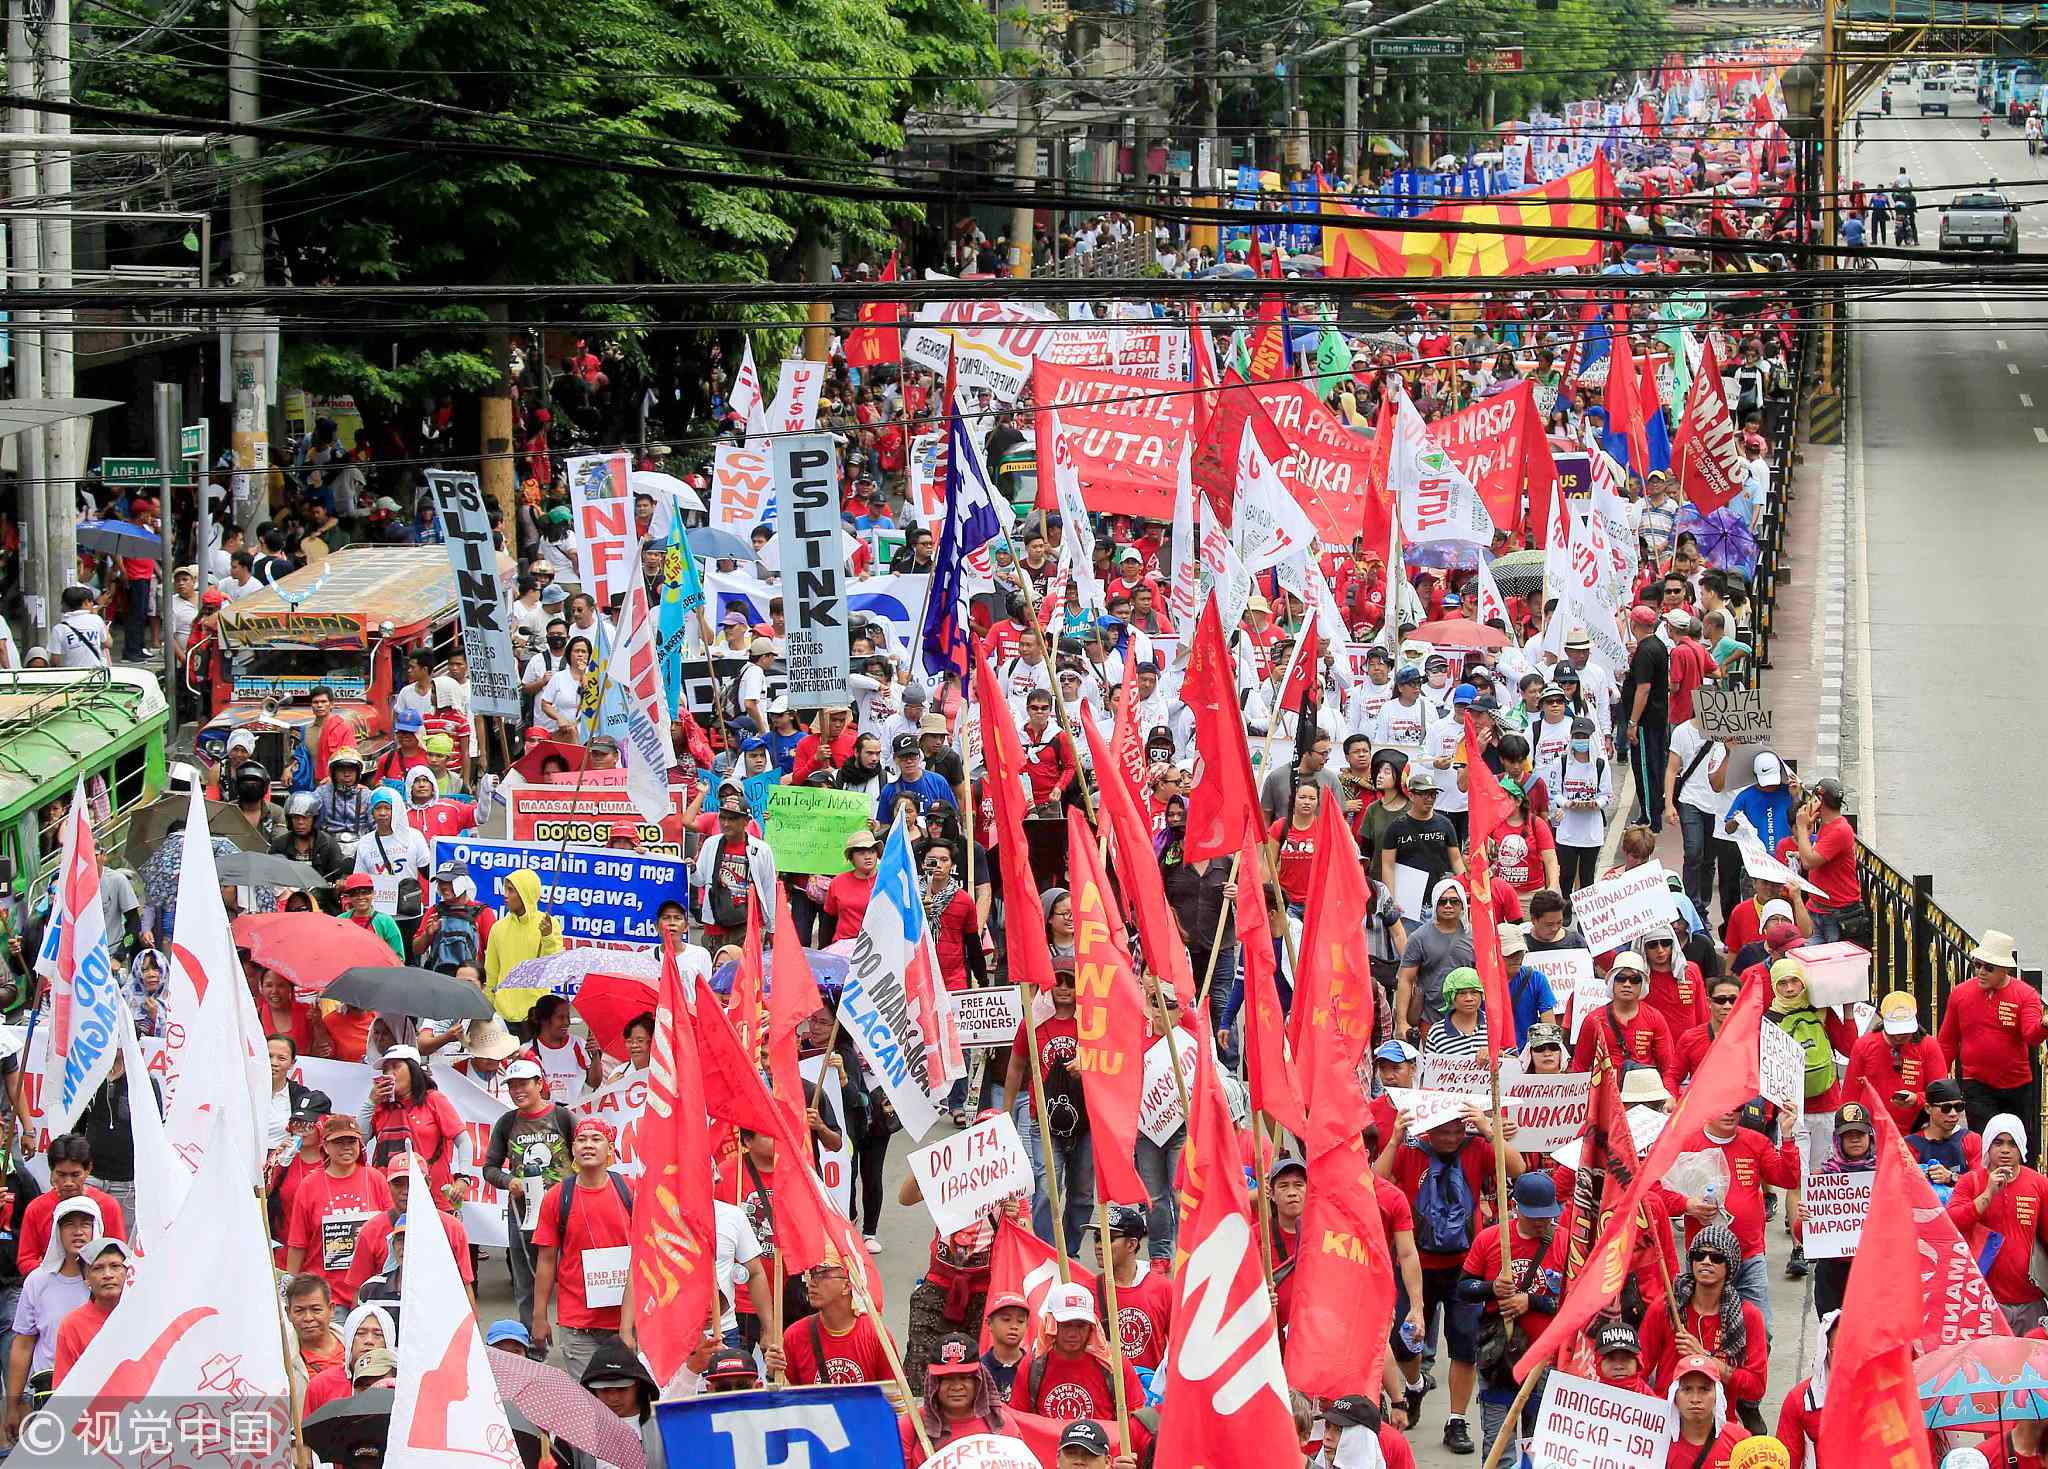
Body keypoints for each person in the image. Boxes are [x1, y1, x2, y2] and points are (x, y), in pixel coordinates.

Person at [1376, 1106, 1525, 1455]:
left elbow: (1518, 1169)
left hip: (1465, 1265)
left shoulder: (1476, 1147)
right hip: (1415, 1262)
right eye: (1444, 1131)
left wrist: (1489, 1131)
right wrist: (1395, 1141)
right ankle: (1414, 1385)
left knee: (1464, 1346)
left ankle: (1456, 1419)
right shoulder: (1412, 1149)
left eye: (1458, 1130)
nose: (1452, 1137)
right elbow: (1377, 1182)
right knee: (1404, 1343)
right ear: (1429, 1129)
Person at [1458, 1172, 1563, 1460]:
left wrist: (1531, 1302)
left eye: (1547, 1215)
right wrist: (1491, 1288)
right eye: (1534, 1216)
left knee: (1539, 1445)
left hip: (1546, 1360)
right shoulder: (1491, 1239)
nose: (1542, 1222)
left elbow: (1574, 1302)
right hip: (1498, 1358)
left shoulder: (1565, 1242)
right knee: (1498, 1446)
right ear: (1516, 1207)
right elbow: (1465, 1288)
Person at [531, 1119, 635, 1378]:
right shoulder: (557, 1196)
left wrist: (627, 1326)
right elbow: (545, 1260)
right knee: (591, 1402)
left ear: (610, 1148)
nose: (588, 1145)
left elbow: (644, 1258)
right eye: (582, 1139)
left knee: (625, 1399)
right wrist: (539, 1316)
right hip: (578, 1324)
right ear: (573, 1148)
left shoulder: (631, 1191)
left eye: (596, 1139)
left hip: (628, 1322)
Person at [1639, 1222, 1768, 1430]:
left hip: (1719, 1426)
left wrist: (1706, 1359)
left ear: (1730, 1266)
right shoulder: (1666, 1308)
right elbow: (1639, 1368)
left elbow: (1756, 1388)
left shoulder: (1748, 1316)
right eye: (1699, 1255)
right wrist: (1653, 1411)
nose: (1706, 1261)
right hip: (1667, 1423)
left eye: (1716, 1257)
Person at [1003, 963, 1093, 1250]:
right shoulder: (1034, 1021)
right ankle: (1045, 1252)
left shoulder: (1093, 1024)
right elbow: (1016, 1066)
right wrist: (1005, 1115)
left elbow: (1114, 1064)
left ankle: (1070, 1253)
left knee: (1082, 1194)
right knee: (1047, 1187)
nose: (1064, 988)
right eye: (1059, 981)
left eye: (1071, 982)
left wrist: (1089, 1064)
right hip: (1042, 1118)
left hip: (1087, 1121)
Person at [1936, 929, 2044, 1143]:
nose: (1981, 972)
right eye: (1977, 965)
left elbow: (2031, 1036)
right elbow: (1946, 1042)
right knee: (1985, 1142)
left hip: (2017, 1086)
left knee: (2015, 1145)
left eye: (1989, 967)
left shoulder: (2025, 995)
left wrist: (2044, 1026)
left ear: (2004, 969)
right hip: (1976, 1083)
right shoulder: (1960, 993)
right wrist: (1937, 1082)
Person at [1945, 1112, 2048, 1333]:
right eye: (1998, 1142)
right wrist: (1987, 1195)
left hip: (2031, 1303)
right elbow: (1951, 1225)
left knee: (2029, 1367)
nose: (2005, 1150)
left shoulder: (2039, 1184)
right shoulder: (1970, 1181)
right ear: (1988, 1146)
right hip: (1983, 1301)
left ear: (2021, 1147)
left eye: (2012, 1144)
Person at [6, 1198, 99, 1439]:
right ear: (57, 1231)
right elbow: (23, 1344)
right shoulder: (38, 1281)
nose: (78, 1231)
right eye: (69, 1224)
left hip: (99, 1390)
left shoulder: (111, 1281)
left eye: (85, 1224)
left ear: (96, 1228)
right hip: (49, 1393)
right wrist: (12, 1406)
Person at [283, 1114, 395, 1311]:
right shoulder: (309, 1185)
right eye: (338, 1142)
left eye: (351, 1141)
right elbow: (298, 1243)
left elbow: (392, 1233)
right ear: (325, 1146)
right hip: (327, 1297)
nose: (346, 1147)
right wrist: (289, 1293)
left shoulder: (376, 1179)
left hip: (372, 1292)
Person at [1008, 1281, 1144, 1427]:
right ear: (1052, 1323)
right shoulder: (1032, 1364)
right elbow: (1019, 1420)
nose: (1073, 1333)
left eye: (1080, 1326)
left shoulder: (1114, 1363)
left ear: (1092, 1327)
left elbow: (1136, 1420)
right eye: (1066, 1325)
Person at [766, 1256, 894, 1386]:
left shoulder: (876, 1336)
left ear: (847, 1286)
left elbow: (895, 1397)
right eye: (811, 1275)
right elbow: (788, 1399)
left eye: (823, 1275)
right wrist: (773, 1373)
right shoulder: (794, 1336)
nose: (812, 1283)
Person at [898, 1334, 1017, 1465]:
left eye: (965, 1377)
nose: (956, 1387)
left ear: (979, 1379)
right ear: (933, 1383)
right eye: (947, 1378)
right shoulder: (912, 1425)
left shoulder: (1001, 1424)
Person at [13, 1137, 124, 1275]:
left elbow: (119, 1257)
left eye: (75, 1175)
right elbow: (26, 1259)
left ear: (88, 1169)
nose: (68, 1182)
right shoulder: (36, 1208)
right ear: (52, 1171)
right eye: (61, 1175)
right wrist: (58, 1276)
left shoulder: (107, 1206)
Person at [1843, 991, 1946, 1136]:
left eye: (1904, 1032)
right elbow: (1850, 1095)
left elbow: (1941, 1094)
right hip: (1872, 1133)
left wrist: (1917, 1099)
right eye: (1895, 1031)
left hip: (1917, 1132)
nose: (1899, 1036)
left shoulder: (1928, 1045)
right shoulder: (1864, 1045)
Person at [1570, 952, 1677, 1087]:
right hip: (1606, 1095)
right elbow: (1580, 1067)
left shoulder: (1655, 1018)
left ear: (1642, 984)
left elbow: (1669, 1068)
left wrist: (1669, 1097)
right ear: (1612, 982)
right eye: (1621, 978)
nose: (1627, 984)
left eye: (1634, 979)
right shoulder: (1593, 1020)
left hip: (1645, 1094)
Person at [568, 1341, 667, 1469]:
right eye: (604, 1390)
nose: (613, 1398)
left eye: (622, 1389)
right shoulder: (577, 1432)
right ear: (592, 1390)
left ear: (638, 1386)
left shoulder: (662, 1426)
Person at [484, 868, 564, 1025]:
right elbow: (492, 973)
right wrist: (489, 1007)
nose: (505, 895)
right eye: (505, 889)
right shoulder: (498, 928)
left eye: (511, 890)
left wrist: (547, 937)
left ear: (525, 893)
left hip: (536, 1014)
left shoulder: (548, 923)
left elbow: (553, 965)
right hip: (501, 1015)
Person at [1665, 1356, 1749, 1468]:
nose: (1695, 1399)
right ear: (1674, 1396)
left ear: (1717, 1395)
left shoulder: (1740, 1440)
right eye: (1687, 1389)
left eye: (1704, 1389)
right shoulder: (1659, 1443)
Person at [1906, 1078, 1979, 1201]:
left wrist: (1951, 1177)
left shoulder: (1970, 1139)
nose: (1953, 1113)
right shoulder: (1910, 1144)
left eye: (1958, 1106)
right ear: (1928, 1108)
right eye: (1946, 1108)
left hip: (1961, 1210)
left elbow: (1979, 1183)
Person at [337, 873, 405, 961]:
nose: (360, 897)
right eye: (355, 893)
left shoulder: (386, 922)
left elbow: (399, 957)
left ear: (373, 894)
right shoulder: (340, 920)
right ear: (349, 897)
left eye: (365, 892)